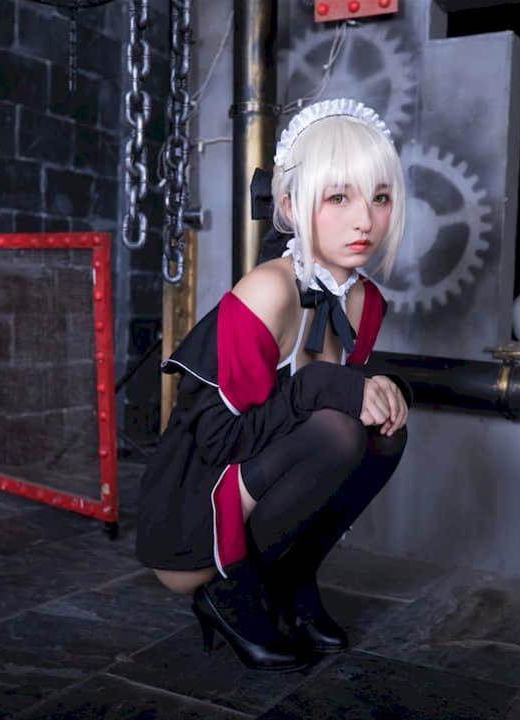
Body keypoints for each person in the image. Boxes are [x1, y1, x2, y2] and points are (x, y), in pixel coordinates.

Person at [135, 98, 411, 672]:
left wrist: (377, 389)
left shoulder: (365, 301)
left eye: (380, 198)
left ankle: (292, 580)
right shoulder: (269, 290)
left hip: (260, 492)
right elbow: (216, 441)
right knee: (338, 430)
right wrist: (330, 387)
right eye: (339, 197)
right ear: (290, 204)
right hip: (195, 518)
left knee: (384, 431)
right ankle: (229, 594)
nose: (365, 220)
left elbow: (326, 411)